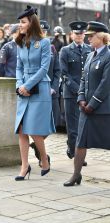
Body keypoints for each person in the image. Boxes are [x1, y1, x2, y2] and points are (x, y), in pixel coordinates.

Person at [64, 21, 110, 186]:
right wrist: (81, 99)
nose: (88, 38)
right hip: (86, 108)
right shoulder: (91, 55)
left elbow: (106, 84)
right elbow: (83, 79)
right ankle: (76, 175)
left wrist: (92, 104)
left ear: (101, 36)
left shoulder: (108, 56)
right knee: (80, 142)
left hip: (103, 110)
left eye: (91, 36)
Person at [14, 5, 55, 181]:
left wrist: (28, 85)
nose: (20, 25)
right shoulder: (20, 43)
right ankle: (24, 166)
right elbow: (18, 67)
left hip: (40, 89)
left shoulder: (45, 43)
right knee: (22, 130)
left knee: (35, 130)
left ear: (32, 23)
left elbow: (44, 68)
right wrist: (20, 85)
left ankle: (44, 159)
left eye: (23, 22)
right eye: (20, 23)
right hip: (23, 89)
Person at [59, 21, 91, 165]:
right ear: (71, 34)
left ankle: (78, 152)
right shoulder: (65, 50)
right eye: (76, 33)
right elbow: (64, 74)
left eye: (82, 33)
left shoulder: (90, 49)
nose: (79, 36)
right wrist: (78, 90)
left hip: (87, 94)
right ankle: (74, 152)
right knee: (73, 127)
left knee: (84, 127)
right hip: (71, 94)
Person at [30, 20, 61, 167]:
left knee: (54, 121)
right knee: (37, 124)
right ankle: (42, 155)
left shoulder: (52, 48)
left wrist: (53, 87)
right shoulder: (30, 46)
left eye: (45, 31)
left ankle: (37, 144)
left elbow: (57, 70)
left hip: (51, 92)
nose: (42, 33)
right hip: (36, 91)